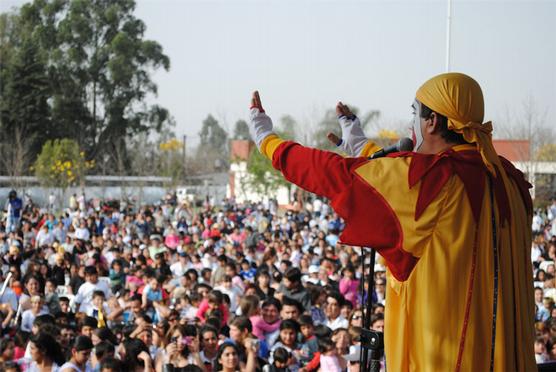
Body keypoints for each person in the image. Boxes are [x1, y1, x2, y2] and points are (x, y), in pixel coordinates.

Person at [248, 72, 535, 370]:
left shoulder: (439, 181)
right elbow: (401, 174)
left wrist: (269, 142)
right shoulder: (508, 179)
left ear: (432, 121)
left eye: (415, 113)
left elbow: (335, 174)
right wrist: (361, 145)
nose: (411, 125)